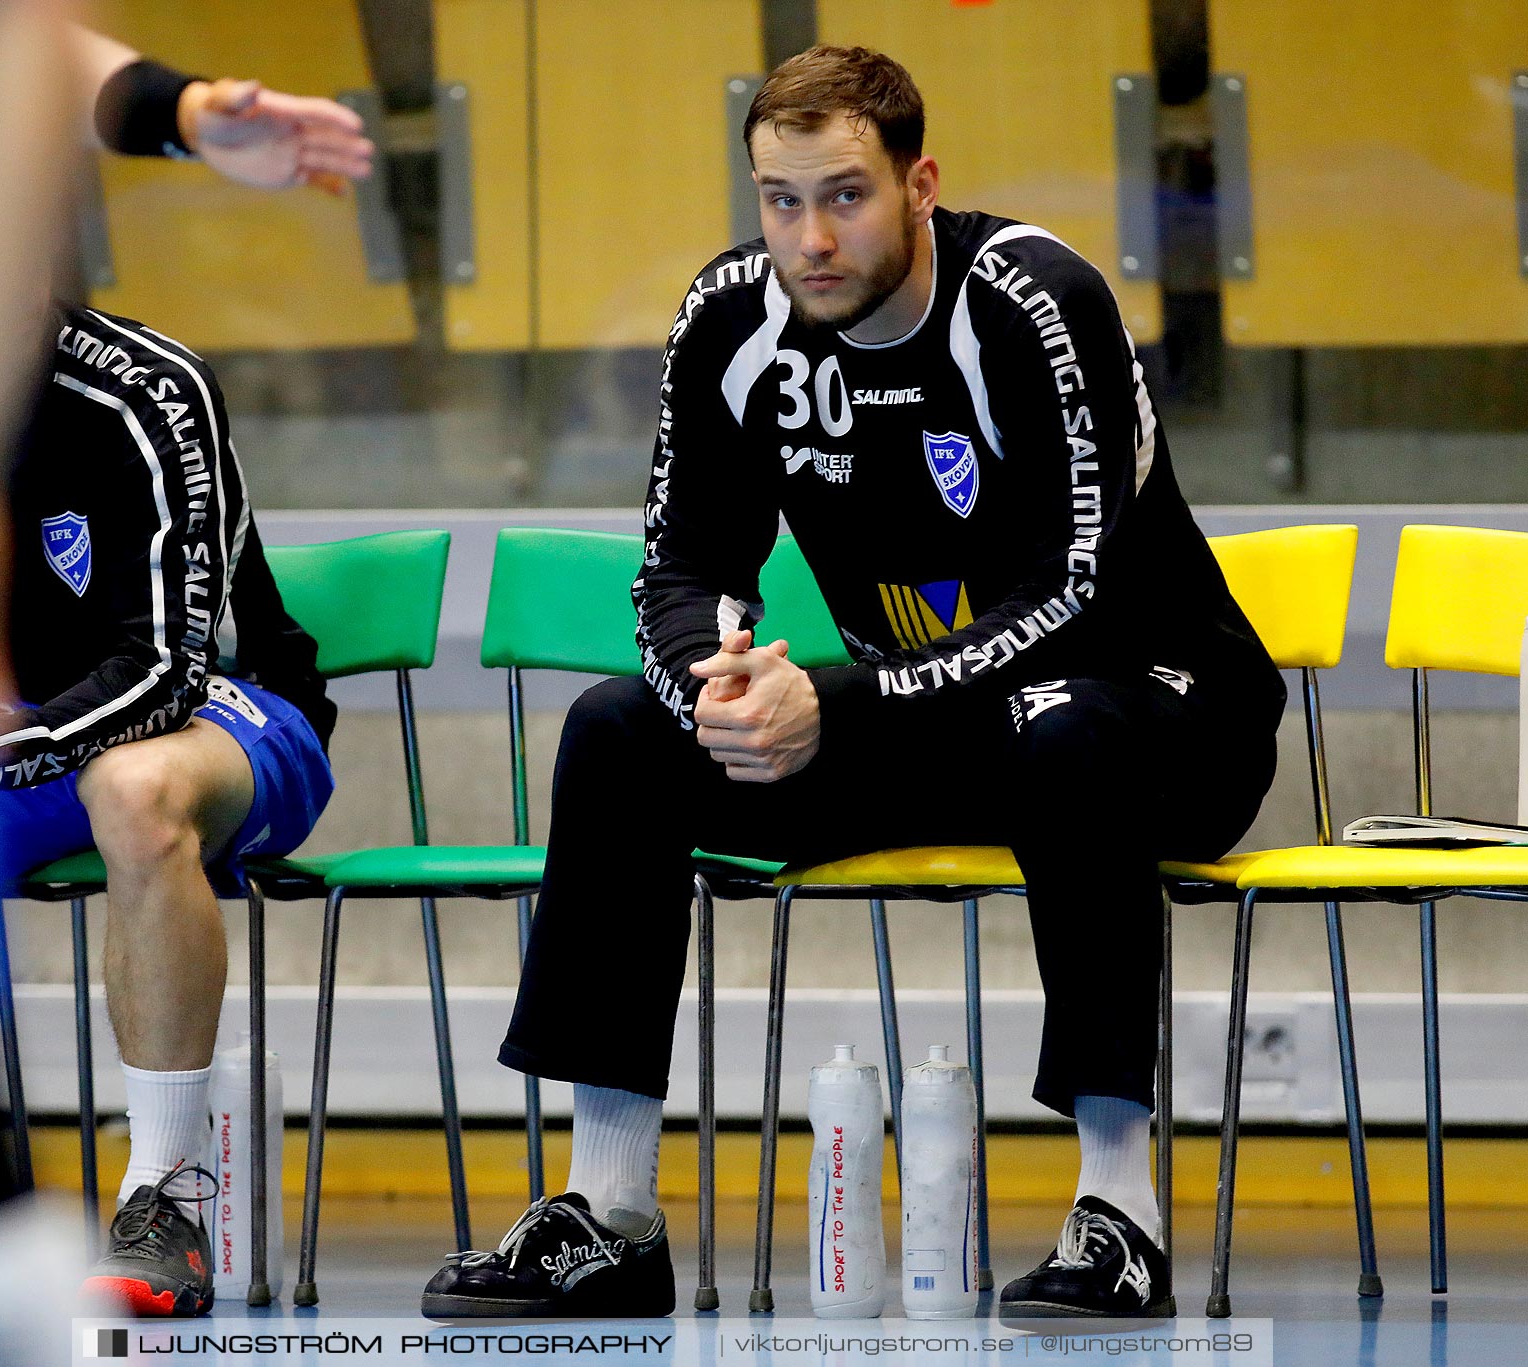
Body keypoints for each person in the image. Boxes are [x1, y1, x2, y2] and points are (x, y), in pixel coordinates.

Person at [422, 46, 1286, 1322]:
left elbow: (1076, 596)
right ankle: (609, 1212)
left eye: (844, 196)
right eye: (780, 200)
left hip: (1161, 705)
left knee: (1065, 727)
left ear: (919, 183)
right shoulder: (732, 320)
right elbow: (682, 568)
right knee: (619, 729)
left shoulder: (1035, 301)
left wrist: (842, 700)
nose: (810, 237)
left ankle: (1121, 1214)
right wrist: (719, 686)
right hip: (929, 707)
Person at [0, 3, 367, 1355]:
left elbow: (164, 668)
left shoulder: (145, 388)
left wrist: (190, 109)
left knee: (135, 781)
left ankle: (164, 1195)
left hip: (220, 720)